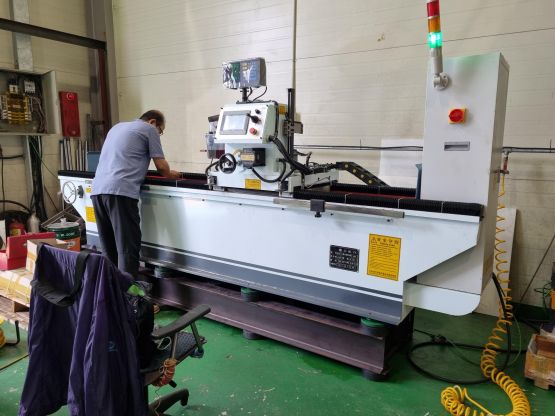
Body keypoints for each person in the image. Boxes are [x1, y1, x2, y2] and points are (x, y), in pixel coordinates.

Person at [91, 110, 180, 278]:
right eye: (161, 131)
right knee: (127, 246)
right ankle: (127, 290)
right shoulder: (149, 129)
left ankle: (110, 289)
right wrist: (172, 174)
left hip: (97, 191)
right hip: (121, 192)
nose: (159, 134)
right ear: (153, 122)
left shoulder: (117, 127)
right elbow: (161, 167)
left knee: (109, 247)